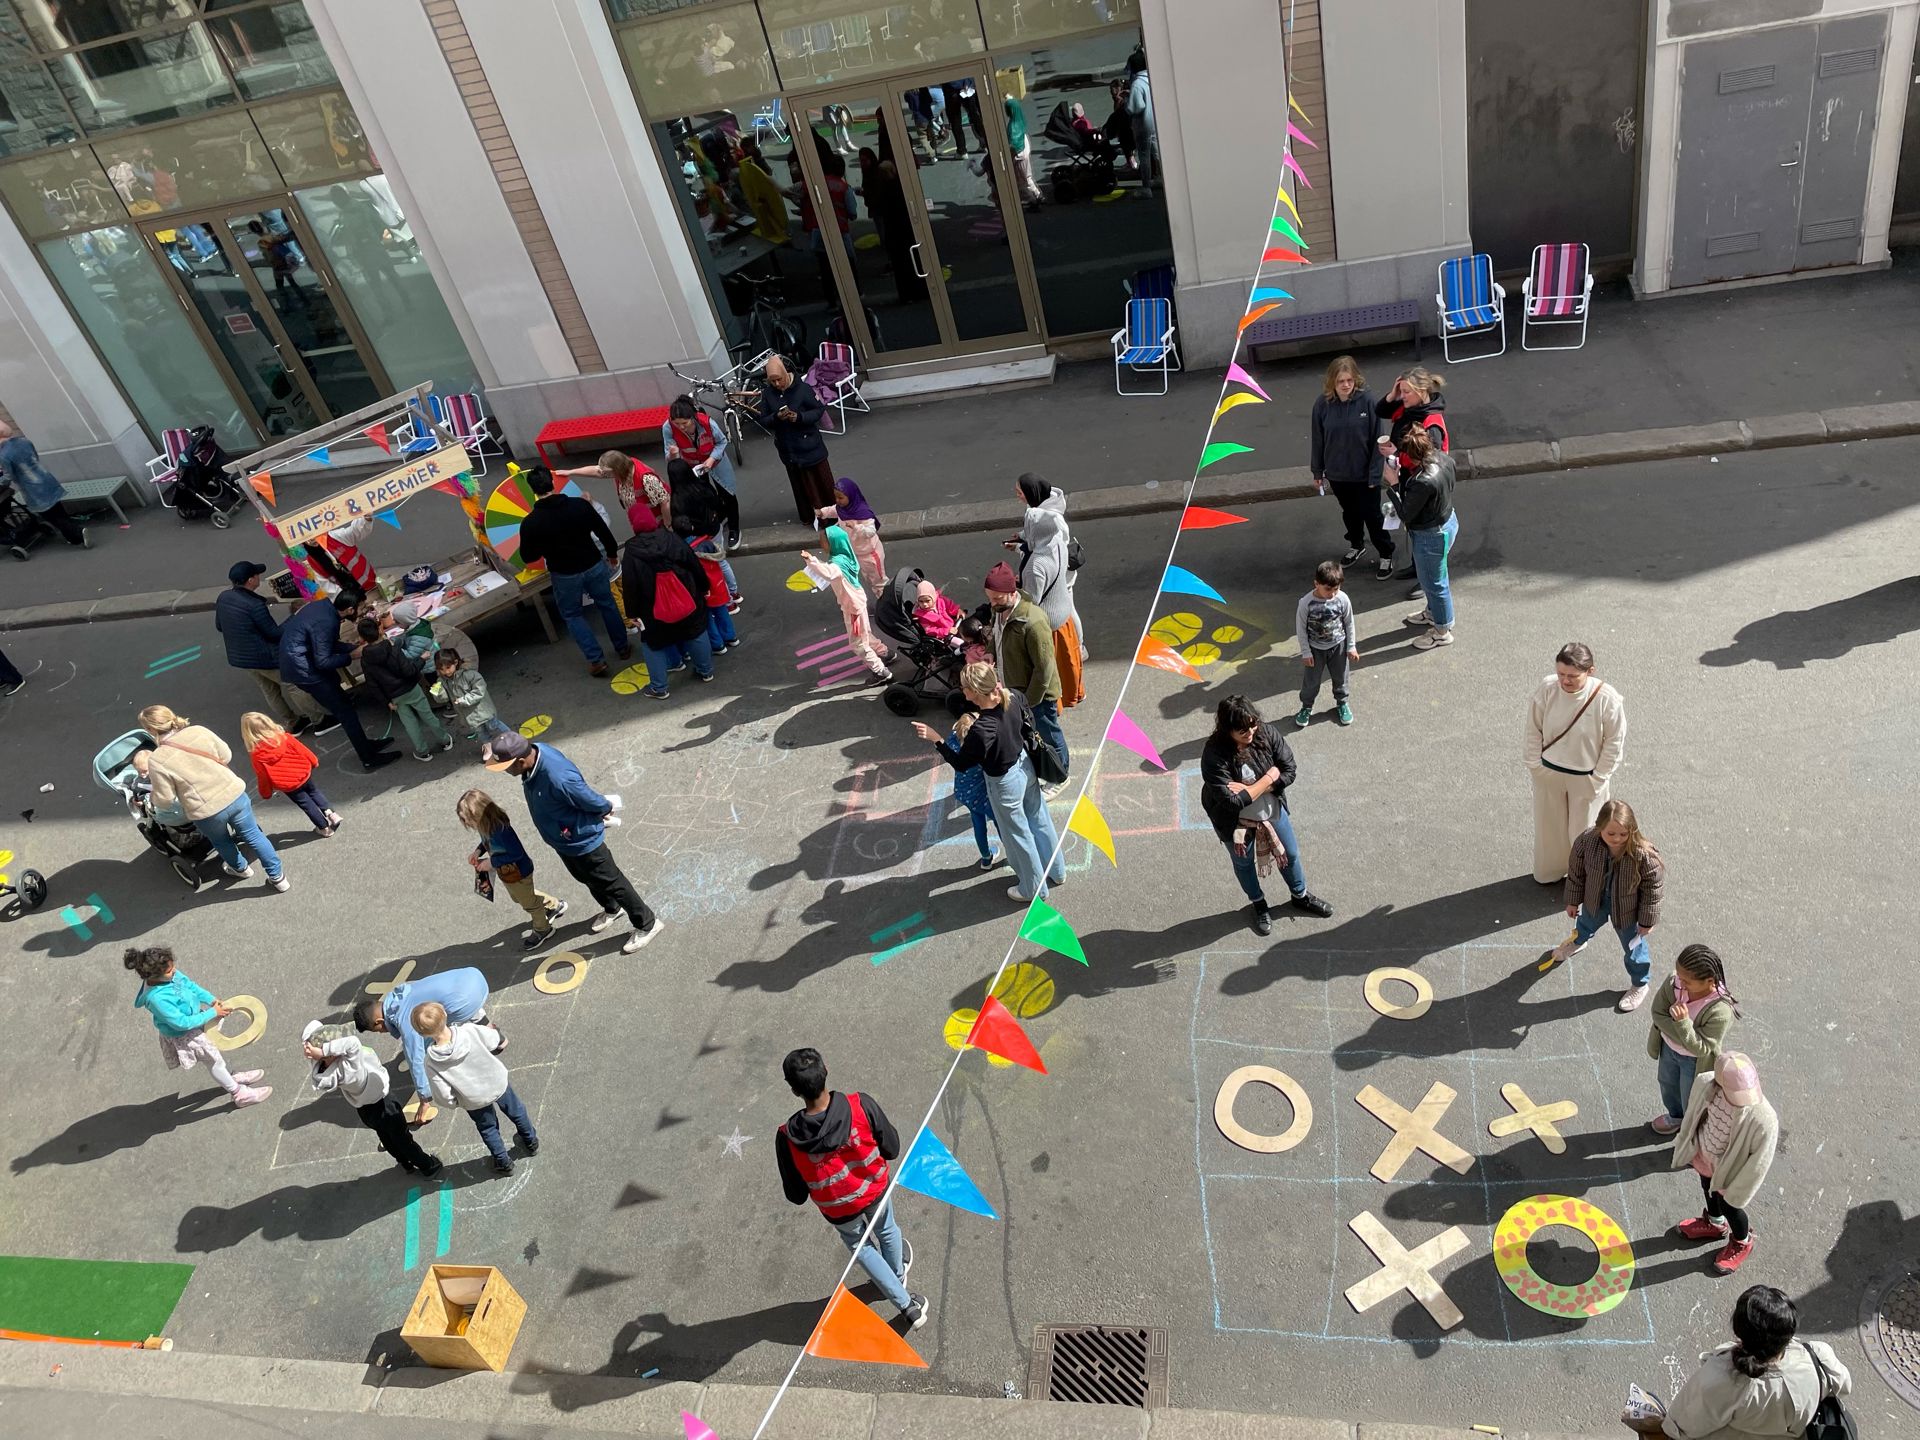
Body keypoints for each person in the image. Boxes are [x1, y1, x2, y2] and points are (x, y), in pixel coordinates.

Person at [775, 1047, 928, 1330]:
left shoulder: (787, 1137)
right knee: (887, 1230)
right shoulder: (861, 1105)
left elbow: (795, 1195)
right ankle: (897, 1279)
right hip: (874, 1191)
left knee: (862, 1247)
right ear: (826, 1071)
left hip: (837, 1208)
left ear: (794, 1090)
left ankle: (908, 1307)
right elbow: (891, 1148)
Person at [482, 730, 664, 953]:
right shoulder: (533, 759)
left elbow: (587, 797)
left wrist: (604, 808)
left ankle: (648, 924)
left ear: (520, 761)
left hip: (583, 841)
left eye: (507, 767)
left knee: (613, 882)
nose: (506, 772)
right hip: (564, 841)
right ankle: (612, 908)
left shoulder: (557, 778)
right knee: (585, 877)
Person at [912, 661, 1063, 903]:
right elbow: (1028, 727)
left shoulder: (982, 729)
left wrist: (937, 740)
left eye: (964, 687)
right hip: (1026, 767)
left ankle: (1033, 888)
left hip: (1005, 783)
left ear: (974, 691)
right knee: (1039, 819)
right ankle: (1057, 871)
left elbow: (961, 763)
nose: (962, 691)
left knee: (1018, 835)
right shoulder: (1014, 696)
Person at [1625, 1286, 1848, 1436]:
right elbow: (1844, 1385)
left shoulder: (1722, 1379)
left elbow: (1682, 1428)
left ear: (1739, 1330)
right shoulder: (1819, 1355)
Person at [1200, 696, 1334, 936]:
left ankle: (1300, 896)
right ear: (1227, 729)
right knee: (1244, 865)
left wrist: (1252, 790)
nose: (1250, 732)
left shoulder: (1266, 733)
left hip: (1271, 812)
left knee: (1290, 854)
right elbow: (1231, 802)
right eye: (1242, 730)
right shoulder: (1214, 755)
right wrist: (1269, 778)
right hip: (1236, 825)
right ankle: (1259, 904)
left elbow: (1289, 769)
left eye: (1252, 724)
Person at [138, 704, 288, 892]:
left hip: (206, 810)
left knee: (221, 841)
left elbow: (165, 799)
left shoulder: (157, 760)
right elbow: (226, 755)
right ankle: (278, 878)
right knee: (254, 835)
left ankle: (241, 869)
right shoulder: (199, 731)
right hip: (233, 794)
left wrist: (153, 799)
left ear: (150, 730)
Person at [1539, 798, 1665, 1011]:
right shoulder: (1587, 842)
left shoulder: (1644, 855)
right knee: (1585, 925)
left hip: (1627, 909)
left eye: (1624, 834)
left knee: (1633, 947)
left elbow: (1653, 891)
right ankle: (1578, 942)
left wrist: (1646, 920)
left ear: (1632, 830)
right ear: (1599, 828)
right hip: (1594, 899)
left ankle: (1640, 983)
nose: (1617, 839)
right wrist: (1572, 900)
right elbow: (1576, 873)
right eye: (1611, 834)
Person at [1525, 642, 1627, 884]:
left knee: (1585, 832)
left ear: (1590, 671)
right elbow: (1533, 728)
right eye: (1561, 674)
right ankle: (1549, 873)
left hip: (1586, 776)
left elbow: (1615, 741)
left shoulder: (1607, 698)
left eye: (1572, 676)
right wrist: (1535, 766)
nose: (1565, 681)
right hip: (1549, 772)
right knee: (1549, 829)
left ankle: (1584, 878)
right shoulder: (1548, 687)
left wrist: (1599, 778)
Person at [1668, 1053, 1778, 1275]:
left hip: (1732, 1169)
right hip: (1706, 1151)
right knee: (1707, 1185)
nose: (1745, 1099)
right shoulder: (1705, 1083)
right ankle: (1715, 1223)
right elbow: (1694, 1113)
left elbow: (1759, 1163)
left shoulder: (1764, 1119)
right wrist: (1689, 1143)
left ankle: (1742, 1240)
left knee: (1730, 1205)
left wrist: (1739, 1191)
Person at [516, 464, 629, 678]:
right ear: (552, 483)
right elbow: (603, 532)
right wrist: (612, 555)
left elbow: (528, 557)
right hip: (594, 564)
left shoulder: (531, 522)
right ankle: (622, 647)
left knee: (572, 614)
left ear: (533, 490)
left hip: (564, 573)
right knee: (607, 604)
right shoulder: (579, 506)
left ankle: (596, 659)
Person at [126, 945, 270, 1107]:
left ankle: (230, 1078)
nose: (174, 971)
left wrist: (211, 1000)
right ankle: (239, 1094)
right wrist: (213, 1013)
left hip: (196, 1018)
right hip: (185, 1035)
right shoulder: (156, 999)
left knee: (215, 1057)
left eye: (173, 967)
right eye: (169, 970)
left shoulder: (170, 975)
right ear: (154, 975)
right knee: (214, 1061)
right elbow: (181, 1023)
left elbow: (191, 986)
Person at [353, 965, 499, 1116]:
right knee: (443, 1005)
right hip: (475, 977)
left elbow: (415, 1058)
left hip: (469, 1000)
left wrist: (424, 1099)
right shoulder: (401, 994)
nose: (381, 1033)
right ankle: (495, 1036)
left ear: (378, 1022)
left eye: (377, 1030)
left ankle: (480, 1035)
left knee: (439, 1025)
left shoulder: (404, 1018)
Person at [411, 1002, 537, 1177]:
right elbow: (495, 1039)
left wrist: (458, 1102)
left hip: (473, 1099)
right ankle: (531, 1141)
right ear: (445, 1015)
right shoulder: (469, 1031)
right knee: (517, 1111)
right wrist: (498, 1040)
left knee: (488, 1128)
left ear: (421, 1034)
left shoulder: (431, 1062)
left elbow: (442, 1095)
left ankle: (503, 1162)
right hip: (497, 1081)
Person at [301, 1020, 440, 1177]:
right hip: (385, 1104)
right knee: (403, 1138)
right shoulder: (350, 1066)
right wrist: (324, 1049)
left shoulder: (324, 1072)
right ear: (329, 1051)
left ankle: (405, 1164)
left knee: (386, 1137)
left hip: (365, 1111)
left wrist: (316, 1053)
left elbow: (321, 1052)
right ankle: (427, 1166)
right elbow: (352, 1042)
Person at [279, 591, 400, 771]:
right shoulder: (328, 621)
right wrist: (352, 655)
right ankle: (368, 758)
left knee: (345, 707)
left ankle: (366, 746)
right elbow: (324, 660)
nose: (362, 612)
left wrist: (352, 648)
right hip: (305, 672)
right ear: (350, 609)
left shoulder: (325, 609)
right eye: (360, 608)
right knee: (345, 712)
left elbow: (329, 643)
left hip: (301, 665)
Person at [622, 497, 716, 698]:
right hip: (687, 595)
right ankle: (706, 671)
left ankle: (659, 687)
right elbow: (693, 564)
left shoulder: (631, 551)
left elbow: (630, 585)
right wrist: (704, 587)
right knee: (695, 632)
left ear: (633, 524)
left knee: (652, 643)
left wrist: (632, 612)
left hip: (652, 608)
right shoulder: (671, 538)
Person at [214, 561, 323, 733]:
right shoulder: (254, 605)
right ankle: (319, 720)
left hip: (241, 658)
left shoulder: (224, 597)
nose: (259, 577)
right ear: (250, 580)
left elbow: (220, 626)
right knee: (293, 684)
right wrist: (295, 616)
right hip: (264, 656)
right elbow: (273, 633)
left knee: (270, 690)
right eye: (257, 575)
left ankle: (293, 722)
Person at [1310, 357, 1393, 580]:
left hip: (1364, 476)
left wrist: (1375, 474)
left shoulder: (1367, 402)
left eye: (1349, 380)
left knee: (1373, 516)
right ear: (1332, 383)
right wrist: (1318, 472)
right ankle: (1357, 544)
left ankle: (1386, 552)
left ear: (1355, 379)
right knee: (1350, 514)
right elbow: (1318, 440)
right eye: (1340, 381)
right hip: (1338, 475)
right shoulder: (1322, 405)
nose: (1346, 385)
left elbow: (1379, 440)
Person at [983, 562, 1068, 779]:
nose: (992, 604)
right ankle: (1041, 769)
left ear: (1012, 593)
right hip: (1015, 691)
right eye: (990, 598)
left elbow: (1044, 669)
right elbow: (996, 634)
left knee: (1049, 736)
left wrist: (1029, 702)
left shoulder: (1033, 621)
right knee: (1031, 735)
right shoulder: (999, 610)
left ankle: (1060, 775)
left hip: (1036, 697)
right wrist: (991, 652)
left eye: (997, 599)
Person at [1646, 943, 1739, 1137]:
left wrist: (1682, 1024)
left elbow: (1702, 1049)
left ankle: (1692, 1131)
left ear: (1709, 981)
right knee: (1667, 1085)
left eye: (1687, 981)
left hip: (1693, 1062)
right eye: (1679, 976)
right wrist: (1682, 1036)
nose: (1680, 982)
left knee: (1692, 1097)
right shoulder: (1675, 982)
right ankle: (1676, 1117)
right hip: (1668, 1050)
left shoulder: (1720, 1010)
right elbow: (1657, 1013)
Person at [458, 788, 567, 951]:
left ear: (479, 814)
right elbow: (486, 843)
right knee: (520, 897)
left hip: (519, 871)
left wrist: (492, 862)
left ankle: (543, 929)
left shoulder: (500, 831)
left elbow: (515, 853)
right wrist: (478, 852)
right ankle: (553, 905)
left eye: (468, 820)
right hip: (509, 874)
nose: (467, 824)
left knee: (529, 904)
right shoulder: (485, 826)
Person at [1008, 477, 1082, 710]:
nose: (1016, 495)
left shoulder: (1036, 566)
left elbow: (1032, 601)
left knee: (1048, 668)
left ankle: (1053, 705)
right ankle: (1075, 693)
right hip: (1063, 616)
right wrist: (1022, 543)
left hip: (1049, 622)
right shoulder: (1057, 544)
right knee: (1069, 662)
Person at [1383, 427, 1458, 651]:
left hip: (1430, 536)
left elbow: (1406, 513)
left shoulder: (1423, 480)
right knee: (1434, 580)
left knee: (1434, 584)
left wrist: (1393, 483)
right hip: (1448, 521)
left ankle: (1442, 630)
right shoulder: (1444, 459)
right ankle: (1433, 613)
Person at [1375, 368, 1449, 593]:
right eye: (1402, 390)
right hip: (1409, 477)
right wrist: (1392, 393)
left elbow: (1429, 460)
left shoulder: (1431, 422)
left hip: (1425, 487)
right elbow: (1381, 410)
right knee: (1414, 529)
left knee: (1426, 532)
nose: (1403, 396)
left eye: (1407, 391)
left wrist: (1397, 452)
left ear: (1421, 391)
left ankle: (1428, 579)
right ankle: (1418, 567)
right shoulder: (1408, 406)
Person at [801, 525, 892, 686]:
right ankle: (884, 652)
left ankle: (880, 671)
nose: (821, 545)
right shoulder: (846, 556)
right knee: (865, 633)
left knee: (858, 643)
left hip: (852, 608)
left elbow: (829, 572)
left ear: (833, 543)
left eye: (824, 542)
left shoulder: (837, 564)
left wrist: (810, 560)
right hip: (858, 601)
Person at [356, 615, 452, 763]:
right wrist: (422, 659)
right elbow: (408, 670)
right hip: (411, 688)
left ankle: (423, 751)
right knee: (428, 716)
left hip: (394, 697)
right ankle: (445, 740)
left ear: (362, 638)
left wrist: (386, 702)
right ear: (380, 630)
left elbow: (372, 684)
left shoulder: (366, 659)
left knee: (410, 724)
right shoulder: (393, 649)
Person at [753, 355, 835, 523]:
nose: (776, 384)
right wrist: (777, 417)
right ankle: (810, 516)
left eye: (779, 380)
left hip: (810, 446)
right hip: (789, 449)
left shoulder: (803, 389)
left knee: (820, 482)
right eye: (772, 381)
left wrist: (799, 417)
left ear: (786, 373)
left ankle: (831, 516)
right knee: (801, 485)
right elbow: (763, 419)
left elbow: (818, 410)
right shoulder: (768, 394)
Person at [240, 711, 340, 837]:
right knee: (314, 792)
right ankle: (331, 813)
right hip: (303, 773)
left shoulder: (257, 755)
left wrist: (266, 793)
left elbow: (262, 776)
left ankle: (324, 828)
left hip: (288, 784)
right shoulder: (284, 737)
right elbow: (303, 750)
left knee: (306, 804)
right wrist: (313, 762)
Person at [662, 396, 740, 550]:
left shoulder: (707, 423)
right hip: (692, 466)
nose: (681, 427)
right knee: (703, 496)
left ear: (693, 417)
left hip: (715, 461)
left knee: (727, 493)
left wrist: (711, 460)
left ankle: (734, 528)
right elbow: (668, 454)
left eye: (685, 423)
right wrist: (672, 454)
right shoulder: (668, 427)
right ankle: (717, 517)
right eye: (677, 424)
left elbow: (722, 441)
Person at [0, 418, 88, 548]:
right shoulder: (24, 441)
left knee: (50, 516)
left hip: (32, 488)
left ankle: (78, 533)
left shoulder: (3, 455)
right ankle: (73, 538)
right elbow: (34, 457)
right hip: (46, 479)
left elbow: (8, 476)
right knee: (59, 511)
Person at [1294, 560, 1358, 728]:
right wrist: (1306, 652)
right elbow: (1301, 629)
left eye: (1336, 589)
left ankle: (1342, 703)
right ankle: (1306, 707)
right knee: (1311, 681)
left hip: (1339, 646)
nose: (1332, 594)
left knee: (1340, 677)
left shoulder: (1342, 599)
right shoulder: (1306, 603)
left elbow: (1349, 623)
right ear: (1316, 583)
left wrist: (1351, 646)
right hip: (1315, 649)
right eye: (1327, 589)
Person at [667, 457, 741, 602]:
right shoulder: (701, 485)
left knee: (711, 570)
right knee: (721, 561)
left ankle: (726, 599)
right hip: (714, 528)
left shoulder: (678, 498)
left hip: (700, 536)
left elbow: (681, 523)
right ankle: (734, 592)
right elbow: (716, 501)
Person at [944, 701, 1000, 870]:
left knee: (978, 823)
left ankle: (986, 858)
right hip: (983, 795)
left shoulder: (953, 742)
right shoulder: (977, 750)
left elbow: (952, 737)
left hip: (964, 793)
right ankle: (1014, 853)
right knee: (1000, 822)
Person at [819, 478, 886, 595]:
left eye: (840, 498)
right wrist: (823, 512)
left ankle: (884, 603)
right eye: (836, 497)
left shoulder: (863, 513)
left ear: (851, 496)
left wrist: (856, 527)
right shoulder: (841, 509)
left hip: (869, 554)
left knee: (878, 581)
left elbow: (871, 531)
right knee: (867, 578)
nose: (837, 501)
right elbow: (833, 510)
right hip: (854, 552)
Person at [437, 648, 508, 740]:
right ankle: (489, 746)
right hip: (469, 715)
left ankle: (513, 740)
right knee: (480, 732)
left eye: (448, 667)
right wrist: (438, 693)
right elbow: (443, 699)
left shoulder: (469, 674)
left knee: (495, 726)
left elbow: (479, 691)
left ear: (455, 662)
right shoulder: (442, 681)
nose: (446, 672)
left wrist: (463, 700)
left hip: (482, 710)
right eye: (441, 669)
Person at [1125, 52, 1158, 194]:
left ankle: (1146, 187)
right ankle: (1161, 178)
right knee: (1156, 153)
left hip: (1143, 125)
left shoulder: (1137, 84)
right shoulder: (1151, 79)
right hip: (1155, 122)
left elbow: (1136, 107)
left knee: (1144, 156)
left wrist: (1127, 101)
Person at [1004, 94, 1042, 209]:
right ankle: (1038, 195)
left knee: (1021, 182)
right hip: (1025, 153)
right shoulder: (1020, 119)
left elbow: (1014, 144)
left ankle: (1033, 201)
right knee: (1028, 177)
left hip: (1019, 157)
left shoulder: (1012, 126)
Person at [912, 580, 963, 644]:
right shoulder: (922, 616)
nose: (924, 604)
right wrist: (947, 631)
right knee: (960, 643)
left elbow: (950, 606)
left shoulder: (941, 600)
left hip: (953, 625)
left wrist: (957, 611)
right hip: (944, 636)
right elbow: (930, 630)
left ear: (933, 597)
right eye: (921, 601)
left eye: (927, 601)